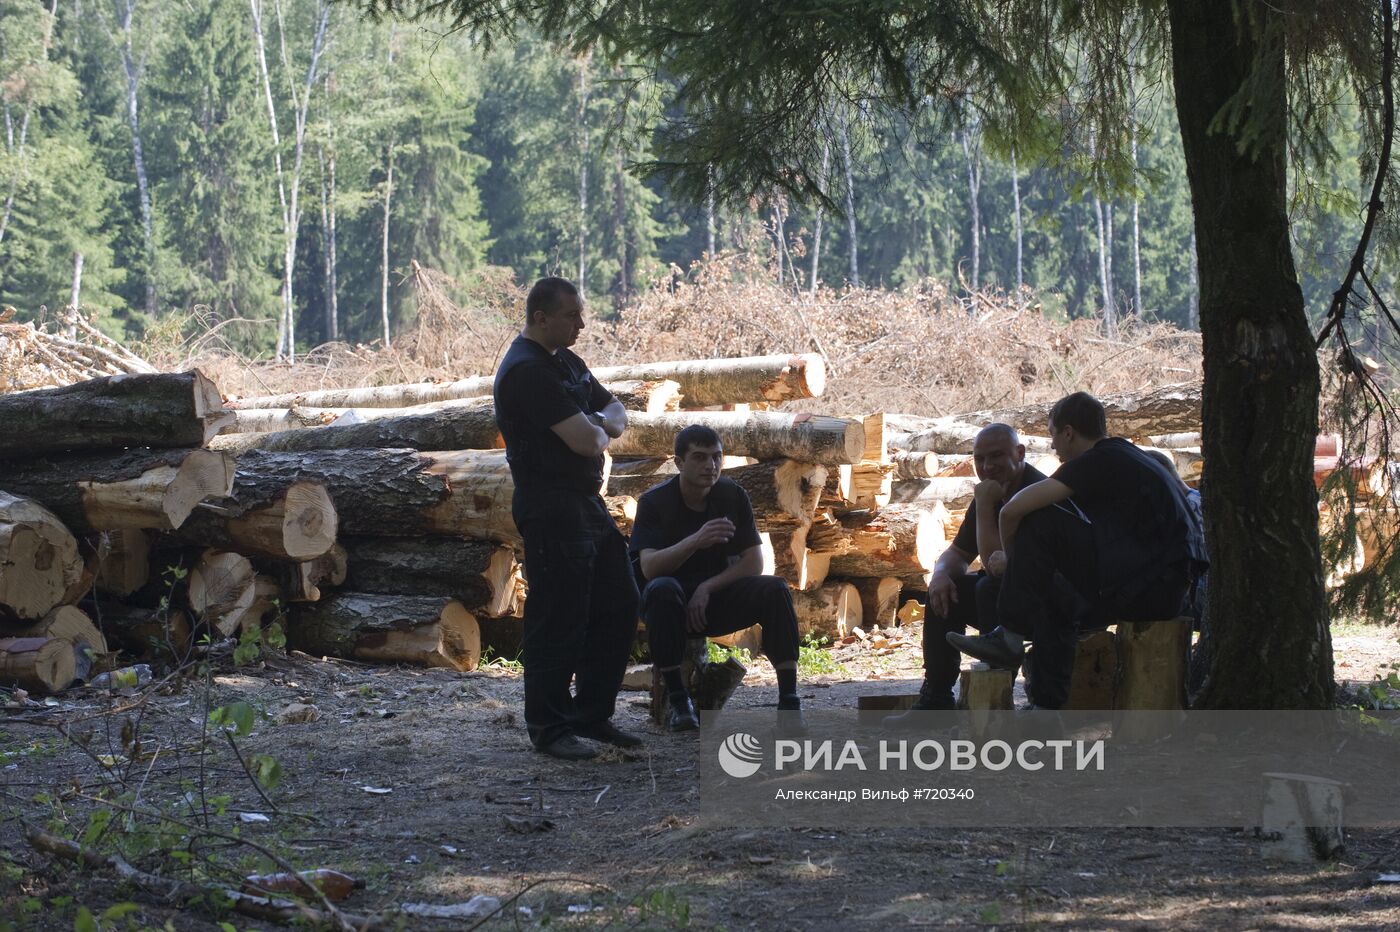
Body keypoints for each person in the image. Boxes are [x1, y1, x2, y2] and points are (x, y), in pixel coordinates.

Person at [948, 392, 1208, 709]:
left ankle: (1009, 637)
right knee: (1055, 593)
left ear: (1068, 432)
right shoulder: (1125, 455)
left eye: (1053, 435)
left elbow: (1013, 511)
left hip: (1151, 590)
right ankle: (1047, 706)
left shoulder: (1099, 459)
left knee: (1040, 518)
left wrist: (1013, 562)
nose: (1054, 446)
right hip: (1162, 585)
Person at [493, 277, 642, 761]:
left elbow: (615, 411)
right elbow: (588, 439)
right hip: (550, 505)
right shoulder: (526, 372)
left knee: (618, 603)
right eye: (572, 315)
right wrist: (600, 427)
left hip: (585, 503)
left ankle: (590, 714)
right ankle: (549, 727)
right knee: (557, 617)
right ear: (541, 318)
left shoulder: (566, 362)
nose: (581, 323)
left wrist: (598, 424)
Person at [884, 423, 1064, 724]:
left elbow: (996, 567)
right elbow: (959, 553)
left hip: (1048, 606)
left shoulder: (1036, 492)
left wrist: (983, 505)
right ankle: (936, 697)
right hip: (1005, 599)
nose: (987, 466)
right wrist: (941, 574)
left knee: (985, 589)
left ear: (1019, 453)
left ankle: (998, 698)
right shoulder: (991, 490)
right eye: (979, 459)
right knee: (947, 589)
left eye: (996, 456)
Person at [629, 425, 803, 731]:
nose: (710, 465)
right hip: (670, 607)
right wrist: (696, 540)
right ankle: (680, 702)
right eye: (699, 457)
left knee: (775, 589)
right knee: (663, 589)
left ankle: (789, 700)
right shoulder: (655, 502)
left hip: (714, 599)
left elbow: (754, 561)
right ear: (679, 462)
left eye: (716, 457)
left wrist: (708, 588)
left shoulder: (731, 494)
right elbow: (649, 568)